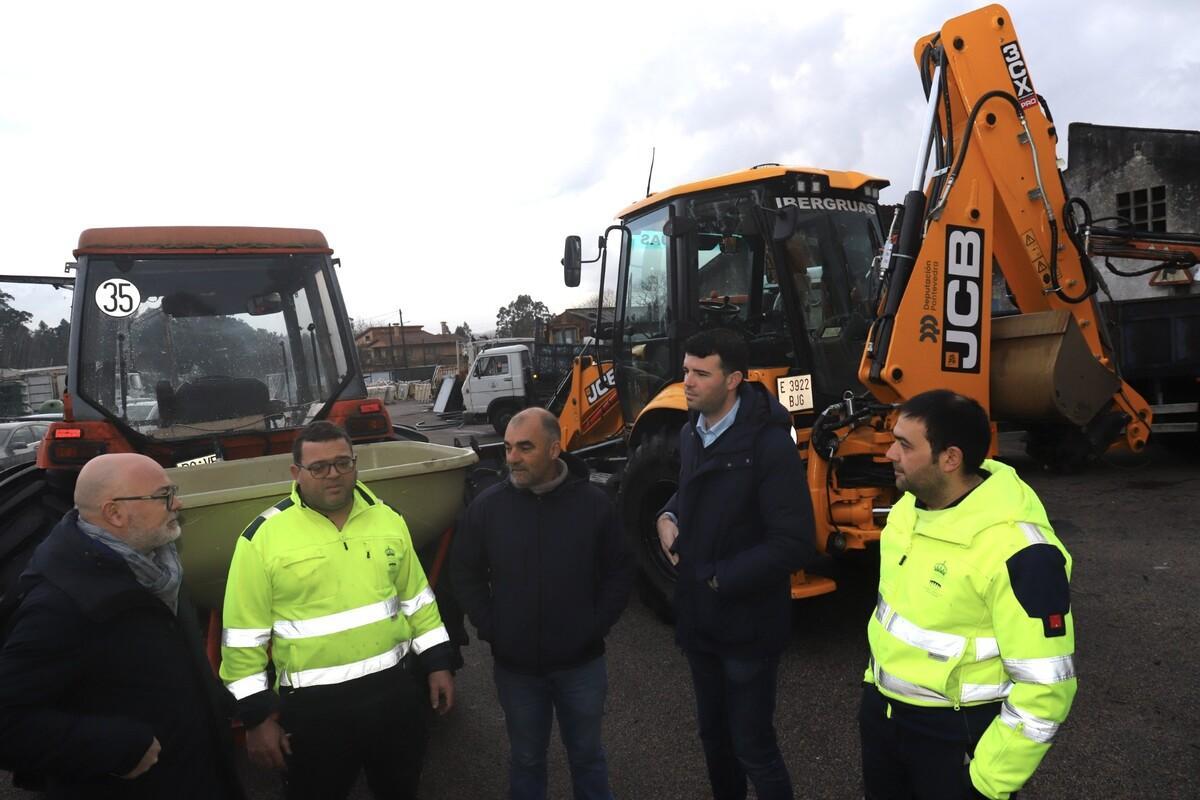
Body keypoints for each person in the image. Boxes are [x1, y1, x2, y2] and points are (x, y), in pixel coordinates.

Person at [220, 421, 455, 800]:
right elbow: (243, 640)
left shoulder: (388, 520)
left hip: (393, 698)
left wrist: (438, 663)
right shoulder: (262, 539)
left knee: (401, 789)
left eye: (343, 463)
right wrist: (256, 719)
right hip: (314, 713)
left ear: (355, 464)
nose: (333, 474)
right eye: (319, 467)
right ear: (296, 473)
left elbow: (418, 601)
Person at [860, 390, 1077, 800]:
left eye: (905, 445)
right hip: (885, 720)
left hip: (954, 740)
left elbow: (1047, 688)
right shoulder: (909, 508)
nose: (889, 453)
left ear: (950, 458)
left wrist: (984, 785)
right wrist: (873, 691)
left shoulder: (1021, 552)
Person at [0, 453, 244, 799]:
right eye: (163, 496)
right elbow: (9, 722)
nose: (179, 503)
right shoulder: (61, 604)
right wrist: (116, 747)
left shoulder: (159, 569)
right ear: (114, 513)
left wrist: (219, 706)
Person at [656, 329, 816, 800]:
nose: (687, 381)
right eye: (686, 370)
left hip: (746, 627)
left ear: (734, 381)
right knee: (715, 742)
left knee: (753, 746)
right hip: (700, 622)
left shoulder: (768, 445)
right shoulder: (691, 433)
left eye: (701, 373)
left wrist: (718, 577)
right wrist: (669, 514)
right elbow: (692, 490)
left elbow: (793, 543)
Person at [453, 407, 634, 800]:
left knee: (587, 757)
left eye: (524, 447)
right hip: (517, 670)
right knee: (527, 760)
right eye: (507, 447)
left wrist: (595, 624)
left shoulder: (594, 504)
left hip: (581, 665)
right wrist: (492, 627)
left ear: (555, 449)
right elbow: (464, 572)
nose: (512, 458)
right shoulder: (487, 508)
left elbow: (620, 571)